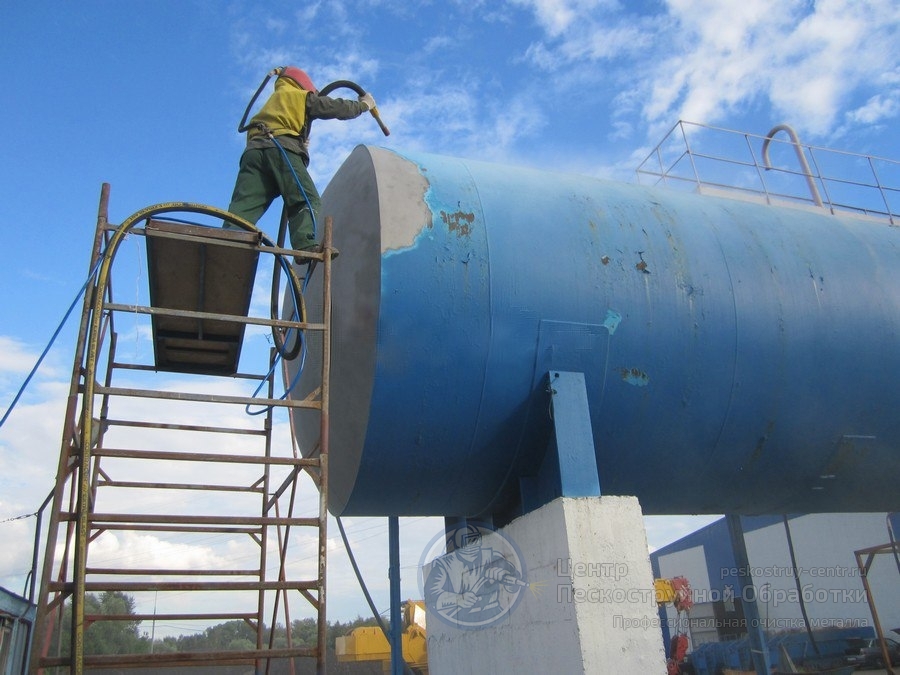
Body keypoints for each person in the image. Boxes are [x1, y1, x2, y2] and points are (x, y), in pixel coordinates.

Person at [225, 66, 375, 257]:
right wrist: (364, 105)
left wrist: (299, 139)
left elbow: (284, 122)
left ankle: (228, 239)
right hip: (280, 148)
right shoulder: (300, 96)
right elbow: (335, 108)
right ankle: (305, 245)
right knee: (305, 198)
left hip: (253, 153)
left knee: (246, 203)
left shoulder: (274, 101)